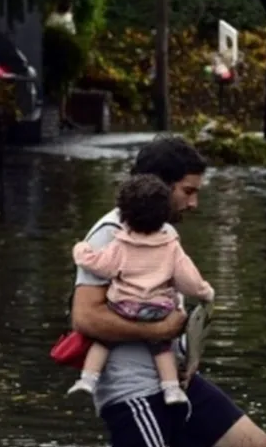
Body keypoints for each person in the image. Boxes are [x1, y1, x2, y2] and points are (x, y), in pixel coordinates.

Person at [70, 136, 266, 447]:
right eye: (188, 191)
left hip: (173, 382)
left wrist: (189, 350)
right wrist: (157, 331)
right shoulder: (111, 233)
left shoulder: (163, 232)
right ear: (159, 185)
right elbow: (85, 317)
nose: (194, 203)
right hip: (132, 387)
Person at [69, 174, 216, 406]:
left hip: (124, 307)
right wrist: (206, 293)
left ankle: (87, 379)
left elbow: (101, 265)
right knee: (162, 348)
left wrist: (81, 250)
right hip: (158, 309)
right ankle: (172, 390)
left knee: (103, 341)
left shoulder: (120, 243)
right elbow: (189, 280)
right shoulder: (170, 246)